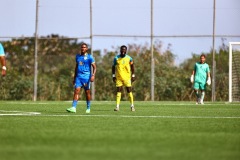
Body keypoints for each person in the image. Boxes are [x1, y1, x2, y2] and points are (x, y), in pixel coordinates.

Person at [66, 43, 96, 113]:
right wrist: (74, 77)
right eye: (82, 47)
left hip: (86, 77)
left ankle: (88, 108)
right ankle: (73, 107)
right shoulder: (77, 56)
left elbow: (94, 67)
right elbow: (76, 67)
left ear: (87, 49)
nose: (83, 48)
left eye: (84, 47)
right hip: (78, 77)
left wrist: (93, 75)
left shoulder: (90, 57)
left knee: (87, 92)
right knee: (76, 91)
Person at [112, 45, 135, 111]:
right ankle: (117, 106)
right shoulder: (116, 58)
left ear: (126, 51)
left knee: (129, 91)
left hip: (127, 78)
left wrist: (133, 75)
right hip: (119, 77)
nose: (123, 51)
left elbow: (132, 67)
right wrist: (113, 76)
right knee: (118, 91)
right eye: (122, 49)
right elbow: (113, 67)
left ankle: (132, 106)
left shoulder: (129, 58)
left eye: (124, 50)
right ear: (120, 50)